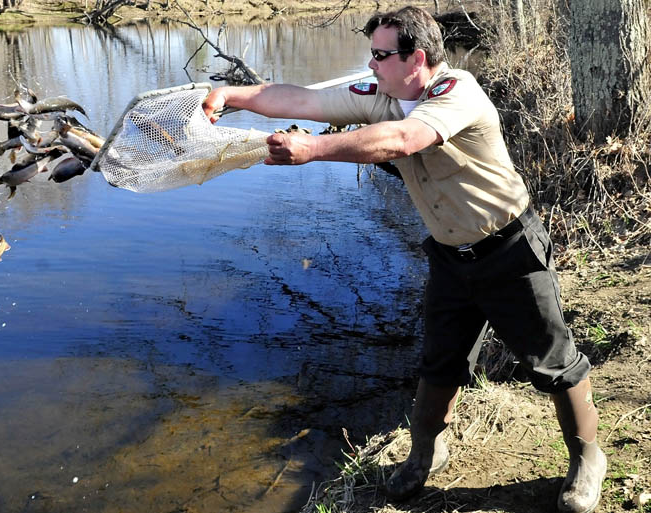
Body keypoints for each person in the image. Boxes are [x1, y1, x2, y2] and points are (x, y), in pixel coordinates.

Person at [202, 6, 606, 513]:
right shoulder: (383, 95)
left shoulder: (457, 93)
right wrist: (228, 96)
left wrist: (315, 150)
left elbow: (403, 141)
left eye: (380, 55)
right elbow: (302, 98)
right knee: (439, 361)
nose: (370, 65)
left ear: (416, 58)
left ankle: (587, 458)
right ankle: (424, 455)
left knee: (552, 361)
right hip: (449, 257)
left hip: (508, 249)